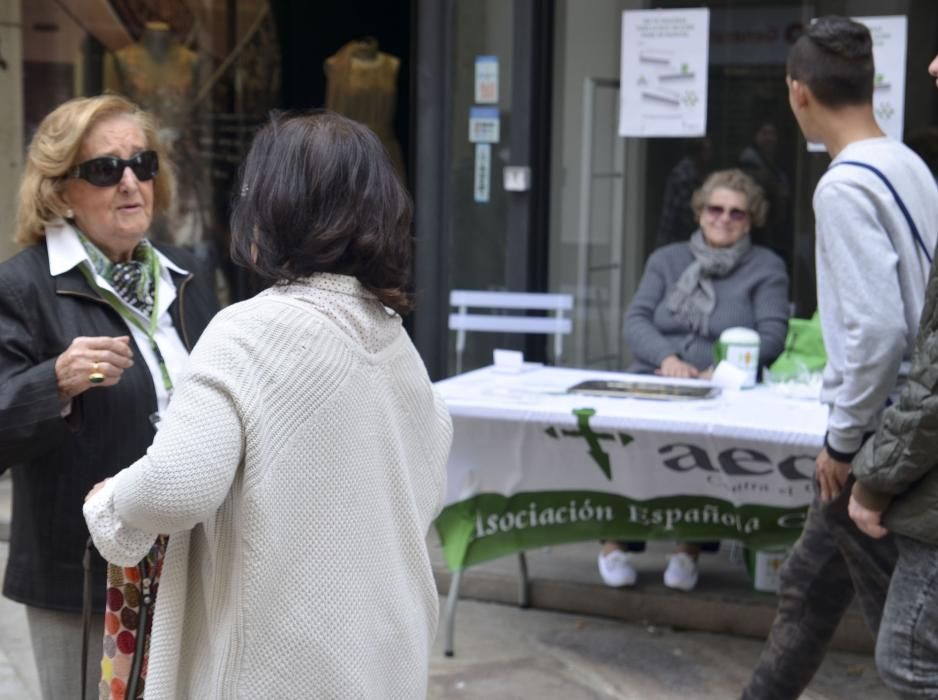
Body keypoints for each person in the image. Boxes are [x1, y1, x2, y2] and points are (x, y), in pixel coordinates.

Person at [83, 110, 454, 698]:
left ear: (272, 207)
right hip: (387, 660)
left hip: (276, 671)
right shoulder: (397, 344)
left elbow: (176, 486)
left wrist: (112, 505)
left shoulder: (248, 331)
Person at [741, 19, 938, 700]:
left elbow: (879, 329)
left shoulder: (844, 185)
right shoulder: (908, 163)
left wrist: (843, 439)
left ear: (799, 94)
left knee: (905, 643)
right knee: (808, 584)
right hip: (904, 425)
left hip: (885, 442)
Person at [0, 94, 219, 700]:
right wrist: (56, 381)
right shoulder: (22, 287)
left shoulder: (186, 274)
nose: (130, 183)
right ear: (59, 189)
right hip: (85, 577)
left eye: (142, 164)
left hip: (191, 562)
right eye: (104, 169)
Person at [598, 168, 789, 591]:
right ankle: (613, 543)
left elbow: (772, 336)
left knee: (703, 456)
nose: (724, 218)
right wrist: (666, 358)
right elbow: (636, 320)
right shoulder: (666, 260)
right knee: (626, 450)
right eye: (715, 209)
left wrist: (719, 371)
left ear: (751, 219)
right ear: (700, 212)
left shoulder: (766, 267)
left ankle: (689, 549)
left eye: (737, 213)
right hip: (654, 376)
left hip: (722, 387)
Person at [845, 51, 938, 698]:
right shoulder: (909, 166)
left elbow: (894, 345)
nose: (932, 66)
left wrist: (870, 472)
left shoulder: (846, 181)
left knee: (909, 662)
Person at [654, 137, 713, 248]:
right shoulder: (686, 174)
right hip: (677, 234)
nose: (710, 155)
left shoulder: (697, 171)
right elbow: (686, 212)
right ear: (698, 152)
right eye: (707, 150)